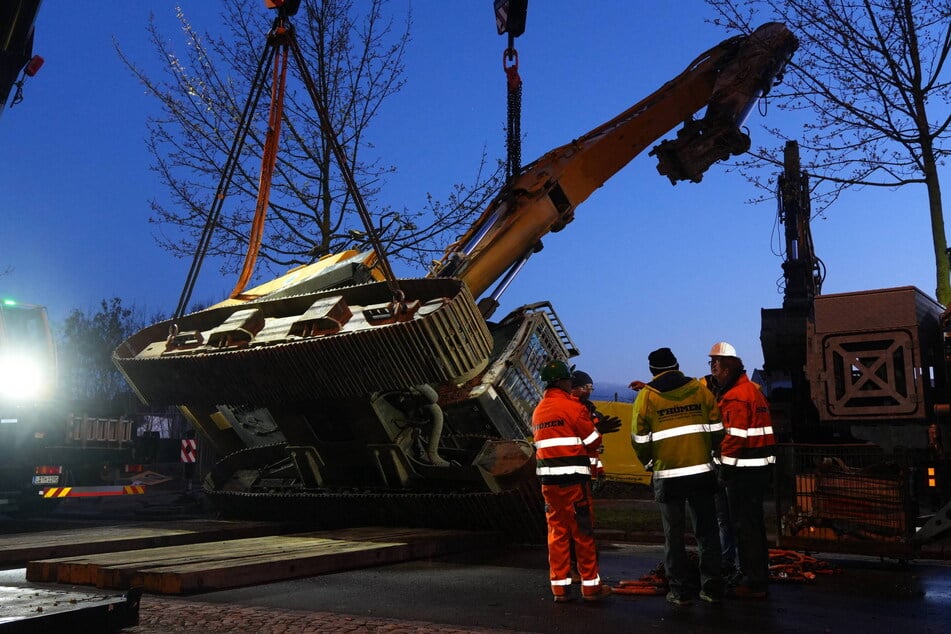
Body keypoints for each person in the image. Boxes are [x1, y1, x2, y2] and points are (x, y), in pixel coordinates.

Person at [631, 347, 725, 606]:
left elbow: (638, 439)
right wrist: (710, 454)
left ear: (652, 371)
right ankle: (712, 589)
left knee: (673, 536)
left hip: (668, 475)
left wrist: (649, 462)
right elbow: (718, 428)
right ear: (677, 365)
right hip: (701, 474)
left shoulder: (647, 398)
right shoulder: (699, 390)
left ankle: (680, 592)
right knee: (707, 534)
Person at [532, 359, 613, 603]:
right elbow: (593, 442)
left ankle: (560, 589)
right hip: (574, 483)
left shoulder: (538, 410)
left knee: (557, 534)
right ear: (562, 382)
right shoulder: (573, 408)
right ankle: (591, 588)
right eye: (569, 380)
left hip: (549, 484)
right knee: (583, 533)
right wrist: (599, 429)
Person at [708, 341, 777, 599]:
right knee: (754, 527)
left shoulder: (736, 396)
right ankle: (758, 575)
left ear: (727, 368)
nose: (713, 366)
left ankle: (753, 580)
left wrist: (724, 470)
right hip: (758, 471)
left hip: (743, 474)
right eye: (711, 362)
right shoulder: (753, 391)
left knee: (744, 528)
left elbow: (733, 438)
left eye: (716, 362)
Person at [570, 370, 622, 493]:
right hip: (574, 475)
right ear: (573, 388)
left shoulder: (590, 412)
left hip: (586, 475)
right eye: (585, 387)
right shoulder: (572, 410)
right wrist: (598, 431)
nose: (588, 391)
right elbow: (584, 444)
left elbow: (592, 452)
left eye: (591, 388)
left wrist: (600, 472)